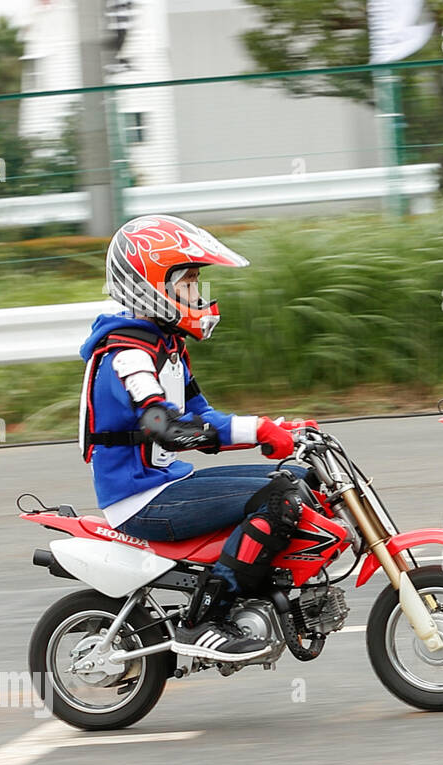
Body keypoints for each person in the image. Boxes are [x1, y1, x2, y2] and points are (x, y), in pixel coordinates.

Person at [80, 214, 311, 663]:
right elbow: (165, 427)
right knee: (278, 500)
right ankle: (206, 619)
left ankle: (263, 593)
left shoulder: (165, 347)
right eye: (187, 284)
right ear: (149, 284)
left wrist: (278, 425)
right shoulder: (128, 356)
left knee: (300, 478)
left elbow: (201, 417)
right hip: (140, 499)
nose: (197, 295)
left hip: (168, 485)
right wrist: (257, 431)